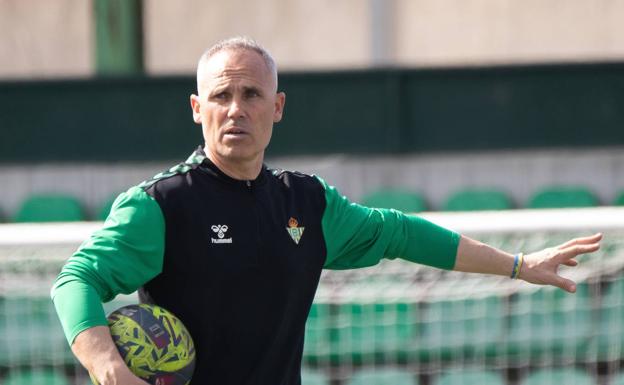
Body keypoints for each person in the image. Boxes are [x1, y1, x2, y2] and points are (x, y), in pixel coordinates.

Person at [51, 37, 602, 385]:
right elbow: (75, 279)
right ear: (197, 109)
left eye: (251, 94)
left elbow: (399, 233)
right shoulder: (161, 205)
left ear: (278, 106)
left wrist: (517, 265)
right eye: (220, 96)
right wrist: (108, 366)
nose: (235, 109)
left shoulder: (306, 203)